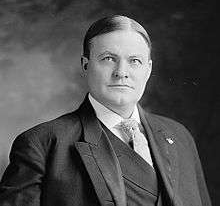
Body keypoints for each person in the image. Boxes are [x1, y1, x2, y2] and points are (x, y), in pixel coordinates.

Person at [0, 15, 211, 206]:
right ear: (85, 65)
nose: (121, 73)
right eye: (108, 59)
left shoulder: (179, 136)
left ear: (148, 70)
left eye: (134, 61)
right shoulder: (42, 143)